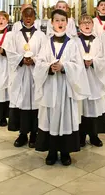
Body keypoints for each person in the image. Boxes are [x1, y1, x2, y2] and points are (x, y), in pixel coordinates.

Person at [34, 9, 89, 166]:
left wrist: (64, 66)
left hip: (65, 88)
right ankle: (51, 151)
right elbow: (39, 64)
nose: (59, 23)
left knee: (65, 117)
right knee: (50, 117)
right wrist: (49, 67)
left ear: (67, 22)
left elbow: (78, 66)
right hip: (50, 87)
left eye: (62, 20)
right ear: (51, 23)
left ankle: (65, 151)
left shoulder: (72, 43)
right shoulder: (46, 43)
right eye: (56, 20)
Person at [6, 6, 45, 148]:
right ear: (22, 17)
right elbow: (10, 53)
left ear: (35, 18)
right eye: (26, 15)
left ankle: (34, 133)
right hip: (21, 74)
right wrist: (21, 60)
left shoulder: (41, 36)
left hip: (35, 74)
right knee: (21, 102)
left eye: (31, 15)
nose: (28, 18)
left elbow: (45, 54)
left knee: (35, 102)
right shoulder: (15, 35)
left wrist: (34, 60)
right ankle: (22, 133)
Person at [76, 14, 105, 147]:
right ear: (79, 25)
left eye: (89, 22)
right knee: (81, 107)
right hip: (81, 78)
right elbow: (71, 58)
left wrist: (93, 62)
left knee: (94, 107)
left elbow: (103, 58)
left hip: (95, 78)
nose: (87, 24)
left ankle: (94, 135)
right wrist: (81, 62)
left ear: (93, 24)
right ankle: (81, 135)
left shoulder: (98, 40)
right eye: (83, 23)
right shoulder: (75, 41)